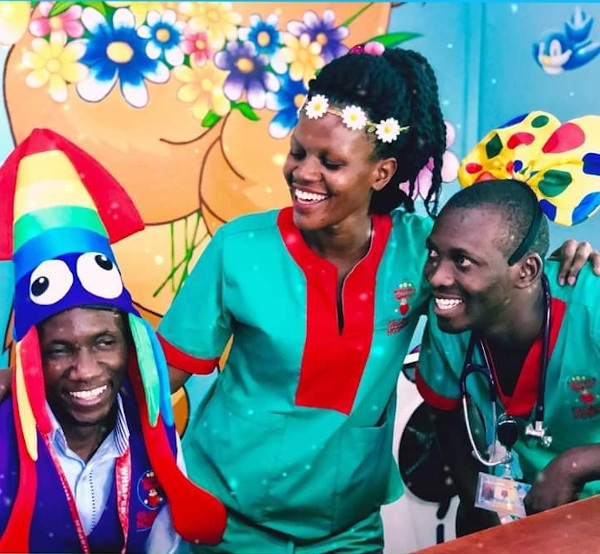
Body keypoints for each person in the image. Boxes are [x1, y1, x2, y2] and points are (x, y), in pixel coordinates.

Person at [155, 43, 598, 552]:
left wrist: (574, 264)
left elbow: (492, 267)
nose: (303, 173)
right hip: (226, 523)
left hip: (347, 531)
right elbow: (161, 380)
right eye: (298, 152)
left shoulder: (421, 250)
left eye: (331, 161)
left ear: (382, 173)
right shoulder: (239, 248)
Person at [0, 128, 226, 552]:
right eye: (59, 349)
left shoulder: (155, 432)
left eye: (104, 342)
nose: (85, 371)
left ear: (133, 343)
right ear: (31, 358)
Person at [416, 111, 600, 536]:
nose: (438, 277)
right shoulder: (451, 319)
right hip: (530, 511)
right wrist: (480, 511)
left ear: (527, 270)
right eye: (434, 255)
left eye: (462, 261)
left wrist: (577, 464)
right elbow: (446, 418)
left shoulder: (590, 306)